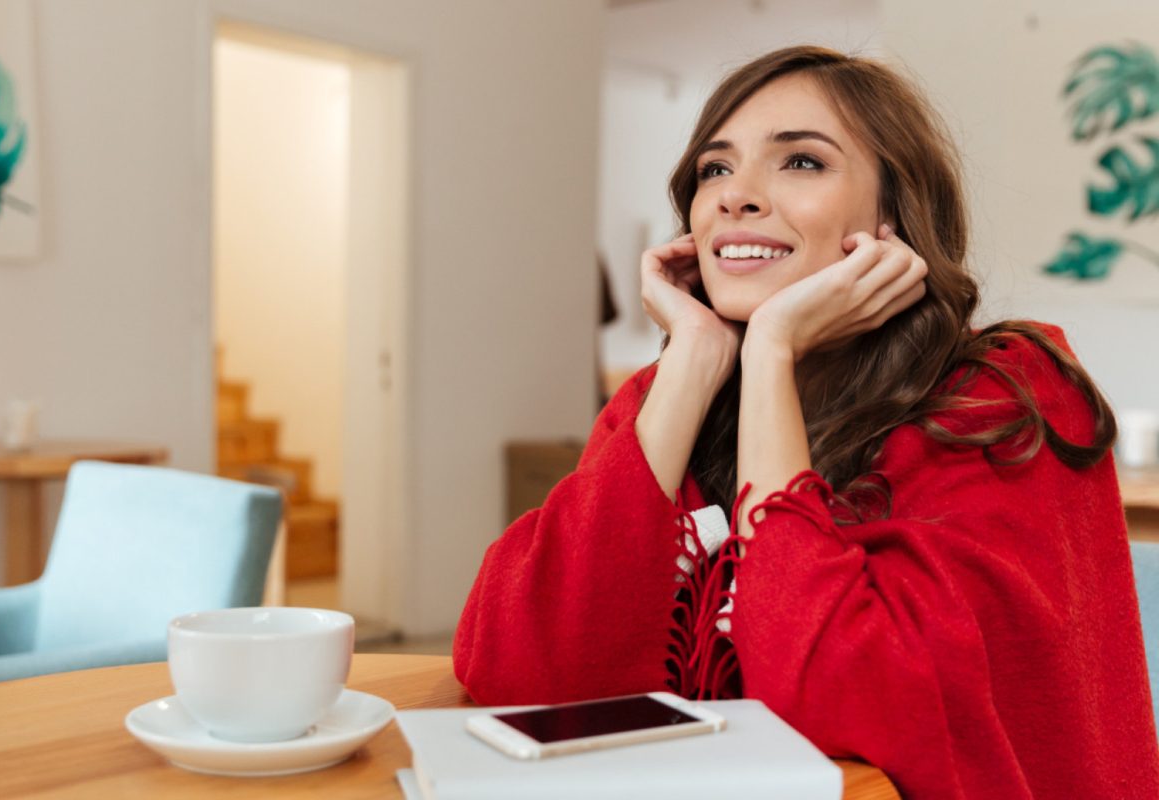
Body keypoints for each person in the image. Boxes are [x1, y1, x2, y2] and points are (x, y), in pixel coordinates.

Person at [453, 45, 1159, 799]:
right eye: (715, 170)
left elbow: (848, 700)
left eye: (801, 163)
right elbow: (522, 667)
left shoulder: (1004, 395)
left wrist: (775, 352)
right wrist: (696, 357)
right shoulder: (671, 400)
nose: (735, 196)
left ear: (892, 212)